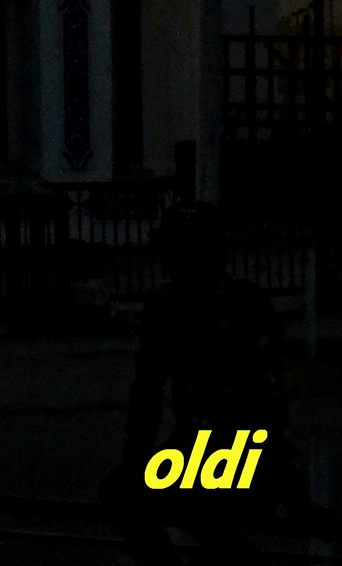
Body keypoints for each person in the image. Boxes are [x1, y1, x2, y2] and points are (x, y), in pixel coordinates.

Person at [112, 204, 327, 564]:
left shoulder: (217, 306)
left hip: (236, 457)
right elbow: (148, 394)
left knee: (166, 498)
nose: (175, 263)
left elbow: (265, 406)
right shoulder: (179, 306)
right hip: (221, 455)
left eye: (183, 253)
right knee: (150, 495)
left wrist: (139, 460)